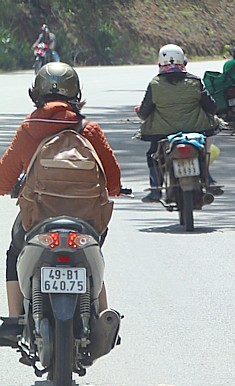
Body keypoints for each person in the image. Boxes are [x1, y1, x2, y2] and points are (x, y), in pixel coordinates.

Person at [0, 62, 121, 341]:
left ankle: (16, 322)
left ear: (36, 94)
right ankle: (104, 320)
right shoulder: (88, 129)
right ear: (76, 94)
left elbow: (4, 181)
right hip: (87, 222)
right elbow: (113, 181)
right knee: (95, 257)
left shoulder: (29, 129)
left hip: (38, 221)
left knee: (12, 255)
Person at [136, 43, 222, 202]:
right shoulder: (195, 82)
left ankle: (156, 190)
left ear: (160, 64)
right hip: (196, 130)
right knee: (203, 151)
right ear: (184, 62)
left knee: (152, 154)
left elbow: (144, 112)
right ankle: (208, 180)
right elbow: (211, 106)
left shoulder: (155, 84)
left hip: (162, 133)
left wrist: (139, 112)